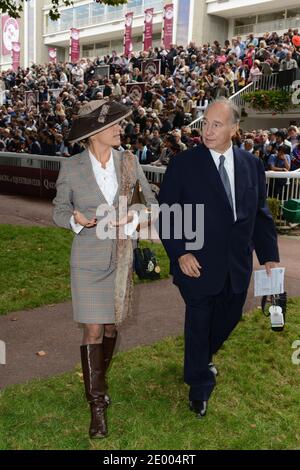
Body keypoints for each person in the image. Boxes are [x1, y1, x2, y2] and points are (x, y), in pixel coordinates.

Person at [158, 98, 280, 418]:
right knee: (199, 321)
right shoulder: (183, 164)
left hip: (237, 264)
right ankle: (199, 387)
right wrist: (180, 251)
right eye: (205, 123)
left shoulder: (252, 165)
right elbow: (168, 214)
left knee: (230, 316)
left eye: (217, 124)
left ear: (234, 129)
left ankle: (201, 357)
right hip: (195, 262)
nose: (207, 130)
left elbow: (260, 215)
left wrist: (269, 257)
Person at [53, 100, 157, 439]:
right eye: (114, 125)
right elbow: (58, 210)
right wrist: (75, 219)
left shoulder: (128, 162)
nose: (120, 129)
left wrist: (136, 216)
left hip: (122, 257)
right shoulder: (71, 168)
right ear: (94, 133)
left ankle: (99, 374)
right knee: (93, 331)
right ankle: (97, 406)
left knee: (110, 329)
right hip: (86, 259)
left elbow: (151, 204)